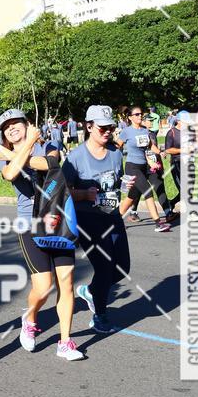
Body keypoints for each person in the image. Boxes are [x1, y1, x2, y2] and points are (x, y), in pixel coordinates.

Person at [0, 109, 84, 360]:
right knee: (44, 287)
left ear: (28, 125)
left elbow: (49, 164)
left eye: (16, 123)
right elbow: (11, 173)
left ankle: (65, 342)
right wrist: (16, 154)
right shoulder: (5, 159)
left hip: (58, 222)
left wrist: (25, 147)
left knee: (66, 284)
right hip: (29, 225)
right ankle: (30, 318)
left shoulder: (50, 144)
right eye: (6, 127)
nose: (12, 128)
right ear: (4, 134)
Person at [62, 105, 130, 334]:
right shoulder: (75, 157)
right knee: (104, 267)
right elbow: (61, 191)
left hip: (112, 215)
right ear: (88, 126)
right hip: (87, 219)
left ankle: (91, 291)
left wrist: (124, 185)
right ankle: (100, 315)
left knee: (121, 268)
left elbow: (114, 182)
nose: (108, 131)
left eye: (110, 127)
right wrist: (84, 194)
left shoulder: (115, 153)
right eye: (102, 128)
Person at [117, 106, 171, 231]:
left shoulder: (144, 130)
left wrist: (160, 152)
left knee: (132, 197)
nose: (140, 116)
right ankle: (158, 223)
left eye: (141, 114)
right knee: (148, 191)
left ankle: (113, 220)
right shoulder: (126, 131)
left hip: (142, 167)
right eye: (136, 114)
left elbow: (150, 146)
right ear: (130, 117)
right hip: (132, 167)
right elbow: (117, 146)